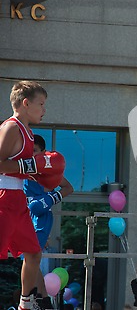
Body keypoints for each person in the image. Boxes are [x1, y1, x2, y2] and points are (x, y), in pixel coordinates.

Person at [0, 81, 55, 310]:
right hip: (3, 198)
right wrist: (30, 166)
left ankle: (25, 303)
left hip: (18, 201)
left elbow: (21, 167)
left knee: (33, 253)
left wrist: (37, 173)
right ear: (25, 103)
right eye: (40, 104)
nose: (44, 110)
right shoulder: (11, 127)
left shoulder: (29, 133)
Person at [24, 134, 74, 309]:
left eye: (35, 151)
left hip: (40, 218)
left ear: (43, 152)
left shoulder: (48, 170)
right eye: (29, 151)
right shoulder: (22, 168)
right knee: (29, 259)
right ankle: (40, 297)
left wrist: (49, 199)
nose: (32, 155)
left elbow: (69, 188)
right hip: (24, 216)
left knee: (31, 257)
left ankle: (38, 298)